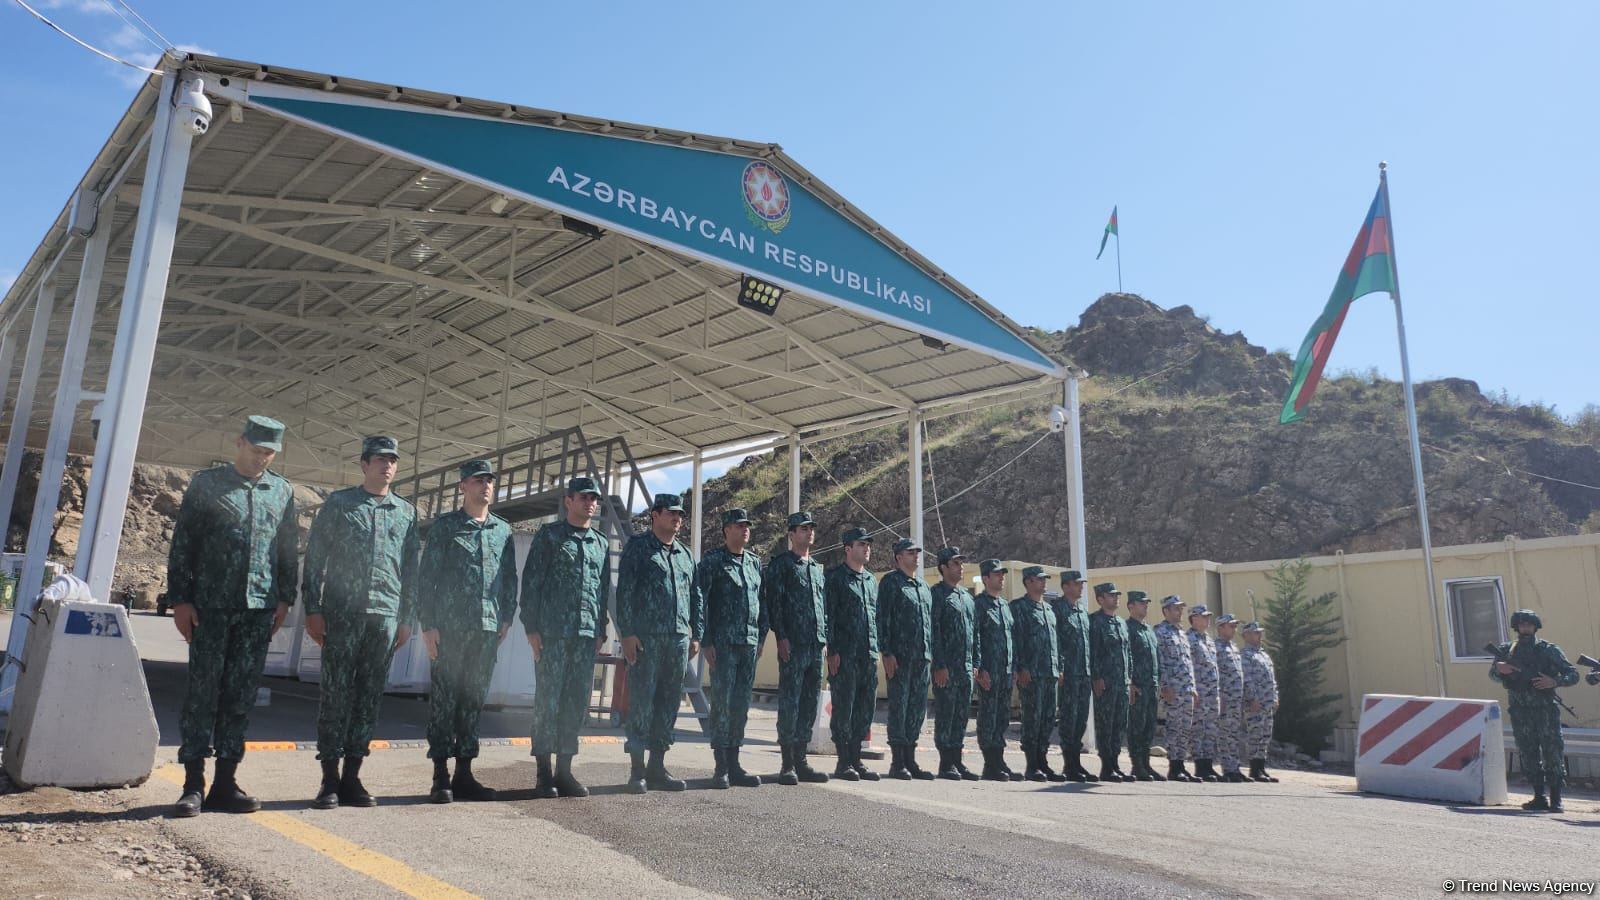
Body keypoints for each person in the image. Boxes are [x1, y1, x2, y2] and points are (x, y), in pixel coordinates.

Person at [168, 416, 298, 818]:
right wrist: (181, 600)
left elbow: (286, 549)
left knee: (240, 696)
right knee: (202, 693)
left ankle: (226, 782)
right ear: (239, 442)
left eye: (269, 452)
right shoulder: (207, 484)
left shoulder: (281, 491)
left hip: (258, 608)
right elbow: (184, 543)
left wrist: (284, 598)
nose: (262, 458)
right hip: (210, 606)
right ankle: (192, 784)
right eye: (257, 449)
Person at [301, 435, 419, 809]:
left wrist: (406, 618)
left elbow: (411, 571)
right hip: (341, 612)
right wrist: (313, 608)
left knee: (368, 697)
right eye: (380, 459)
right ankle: (329, 779)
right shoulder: (340, 504)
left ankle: (353, 776)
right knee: (336, 695)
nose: (387, 466)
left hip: (384, 616)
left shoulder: (406, 512)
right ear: (364, 464)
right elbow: (316, 558)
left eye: (393, 460)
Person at [416, 459, 517, 804]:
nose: (485, 486)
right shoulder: (446, 527)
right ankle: (440, 776)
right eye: (478, 481)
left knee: (473, 702)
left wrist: (506, 617)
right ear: (463, 487)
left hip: (487, 629)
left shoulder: (502, 530)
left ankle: (465, 774)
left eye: (489, 480)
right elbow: (426, 578)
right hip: (450, 629)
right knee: (445, 702)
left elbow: (508, 579)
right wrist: (427, 625)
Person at [522, 476, 611, 799]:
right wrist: (531, 628)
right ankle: (543, 773)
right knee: (548, 702)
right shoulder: (550, 536)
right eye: (584, 497)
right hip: (552, 634)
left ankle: (565, 771)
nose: (591, 503)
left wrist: (601, 630)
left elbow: (602, 591)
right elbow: (531, 582)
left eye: (594, 499)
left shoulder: (600, 543)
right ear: (568, 500)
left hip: (586, 636)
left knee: (575, 704)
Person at [615, 493, 703, 794]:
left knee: (668, 704)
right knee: (642, 703)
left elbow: (695, 596)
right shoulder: (638, 548)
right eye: (671, 513)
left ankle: (657, 767)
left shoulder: (684, 554)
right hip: (645, 640)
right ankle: (637, 770)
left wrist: (696, 633)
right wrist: (626, 633)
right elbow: (624, 591)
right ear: (655, 515)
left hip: (677, 641)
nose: (677, 518)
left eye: (680, 514)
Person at [696, 508, 767, 789]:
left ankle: (735, 763)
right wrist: (706, 640)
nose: (745, 529)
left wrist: (761, 637)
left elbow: (762, 601)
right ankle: (721, 766)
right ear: (726, 530)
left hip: (748, 644)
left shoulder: (754, 562)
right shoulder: (713, 561)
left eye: (747, 525)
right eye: (739, 525)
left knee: (740, 705)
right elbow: (701, 600)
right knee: (722, 704)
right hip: (723, 645)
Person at [761, 511, 830, 785]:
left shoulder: (816, 568)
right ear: (791, 534)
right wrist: (781, 637)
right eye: (803, 529)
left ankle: (802, 761)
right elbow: (774, 603)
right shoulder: (782, 565)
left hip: (815, 646)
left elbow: (821, 609)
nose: (808, 533)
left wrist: (824, 640)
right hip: (793, 644)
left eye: (811, 528)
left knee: (810, 702)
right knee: (790, 701)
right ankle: (787, 763)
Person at [1490, 609, 1580, 812]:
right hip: (1520, 710)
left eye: (1529, 625)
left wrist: (1554, 681)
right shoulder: (1507, 650)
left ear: (1535, 627)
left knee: (1552, 751)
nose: (1526, 628)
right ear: (1516, 627)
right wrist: (1499, 669)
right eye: (1522, 625)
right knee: (1528, 752)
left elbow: (1573, 674)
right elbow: (1493, 675)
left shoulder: (1548, 650)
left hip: (1545, 709)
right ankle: (1539, 796)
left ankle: (1556, 798)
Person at [825, 527, 880, 782]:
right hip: (845, 655)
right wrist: (833, 650)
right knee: (844, 708)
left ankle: (857, 758)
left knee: (864, 708)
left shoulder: (871, 581)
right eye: (861, 544)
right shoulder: (836, 578)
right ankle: (843, 760)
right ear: (847, 549)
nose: (866, 548)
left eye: (868, 544)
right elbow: (830, 617)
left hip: (867, 655)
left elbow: (874, 618)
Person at [879, 538, 936, 781]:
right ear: (898, 557)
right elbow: (883, 618)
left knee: (916, 710)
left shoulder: (923, 587)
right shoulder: (891, 583)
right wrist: (887, 652)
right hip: (900, 657)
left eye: (917, 553)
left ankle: (911, 759)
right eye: (910, 553)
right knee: (899, 708)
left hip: (922, 658)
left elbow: (928, 624)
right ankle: (897, 761)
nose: (916, 556)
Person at [930, 547, 980, 781]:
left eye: (962, 563)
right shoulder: (937, 594)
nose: (961, 567)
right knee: (946, 714)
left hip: (966, 668)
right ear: (943, 567)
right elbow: (934, 632)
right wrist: (939, 664)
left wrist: (976, 663)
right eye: (955, 563)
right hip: (947, 668)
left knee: (961, 715)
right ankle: (945, 762)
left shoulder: (967, 597)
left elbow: (974, 633)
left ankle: (957, 760)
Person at [1011, 566, 1063, 782]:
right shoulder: (1019, 607)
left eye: (1045, 580)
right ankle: (1032, 765)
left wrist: (1059, 667)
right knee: (1032, 720)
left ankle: (1043, 762)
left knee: (1047, 720)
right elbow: (1016, 640)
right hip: (1031, 674)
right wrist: (1020, 667)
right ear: (1029, 582)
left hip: (1049, 674)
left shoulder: (1049, 610)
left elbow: (1056, 642)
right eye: (1040, 580)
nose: (1044, 583)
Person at [973, 560, 1022, 781]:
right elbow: (974, 639)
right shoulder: (978, 605)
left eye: (1002, 574)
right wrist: (979, 668)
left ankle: (999, 761)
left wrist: (1014, 669)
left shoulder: (1005, 606)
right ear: (985, 578)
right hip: (989, 672)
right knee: (988, 717)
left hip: (1006, 672)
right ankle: (990, 764)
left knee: (1002, 718)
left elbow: (1012, 641)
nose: (1001, 577)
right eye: (996, 574)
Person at [1051, 570, 1096, 782]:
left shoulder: (1081, 611)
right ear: (1066, 586)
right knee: (1068, 719)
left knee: (1080, 721)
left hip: (1084, 674)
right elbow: (1055, 641)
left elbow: (1088, 645)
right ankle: (1069, 764)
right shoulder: (1057, 609)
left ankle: (1076, 763)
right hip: (1068, 674)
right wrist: (1059, 667)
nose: (1081, 587)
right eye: (1077, 584)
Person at [1088, 582, 1133, 783]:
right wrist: (1096, 677)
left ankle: (1115, 763)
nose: (1116, 598)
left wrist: (1129, 679)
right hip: (1105, 683)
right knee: (1105, 724)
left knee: (1119, 725)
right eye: (1111, 595)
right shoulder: (1095, 622)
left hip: (1122, 682)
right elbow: (1093, 652)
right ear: (1100, 599)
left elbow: (1128, 653)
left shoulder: (1121, 623)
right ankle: (1106, 766)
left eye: (1117, 595)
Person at [1155, 595, 1199, 783]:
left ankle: (1181, 764)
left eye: (1180, 608)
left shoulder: (1182, 633)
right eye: (1175, 608)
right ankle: (1174, 767)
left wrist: (1193, 687)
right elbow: (1160, 661)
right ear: (1165, 611)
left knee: (1185, 728)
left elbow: (1188, 663)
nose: (1179, 612)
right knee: (1174, 728)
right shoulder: (1160, 632)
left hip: (1186, 689)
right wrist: (1165, 686)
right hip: (1172, 689)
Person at [1124, 591, 1164, 782]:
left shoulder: (1149, 630)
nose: (1145, 606)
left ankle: (1146, 764)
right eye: (1141, 603)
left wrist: (1160, 682)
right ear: (1130, 606)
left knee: (1149, 727)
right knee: (1136, 727)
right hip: (1138, 687)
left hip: (1152, 686)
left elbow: (1157, 658)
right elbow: (1125, 658)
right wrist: (1130, 682)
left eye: (1146, 603)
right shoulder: (1127, 628)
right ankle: (1137, 765)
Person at [1240, 621, 1279, 783]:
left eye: (1259, 632)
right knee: (1255, 734)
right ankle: (1254, 769)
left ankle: (1262, 767)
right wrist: (1252, 698)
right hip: (1255, 703)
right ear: (1246, 635)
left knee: (1265, 735)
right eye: (1255, 633)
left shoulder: (1263, 654)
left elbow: (1272, 678)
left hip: (1268, 702)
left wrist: (1275, 696)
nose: (1259, 635)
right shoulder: (1245, 655)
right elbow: (1247, 679)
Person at [1187, 605, 1221, 783]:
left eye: (1208, 616)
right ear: (1194, 618)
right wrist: (1193, 690)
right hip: (1199, 691)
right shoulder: (1189, 639)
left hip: (1211, 692)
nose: (1208, 619)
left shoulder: (1208, 639)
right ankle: (1199, 765)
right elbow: (1188, 667)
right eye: (1204, 616)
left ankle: (1208, 764)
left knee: (1210, 729)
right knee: (1198, 728)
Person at [1213, 613, 1248, 783]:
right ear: (1220, 628)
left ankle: (1235, 767)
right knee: (1225, 733)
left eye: (1235, 626)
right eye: (1231, 626)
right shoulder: (1216, 647)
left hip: (1236, 699)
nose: (1234, 629)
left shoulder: (1234, 647)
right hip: (1225, 698)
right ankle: (1227, 768)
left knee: (1234, 733)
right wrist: (1219, 694)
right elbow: (1214, 673)